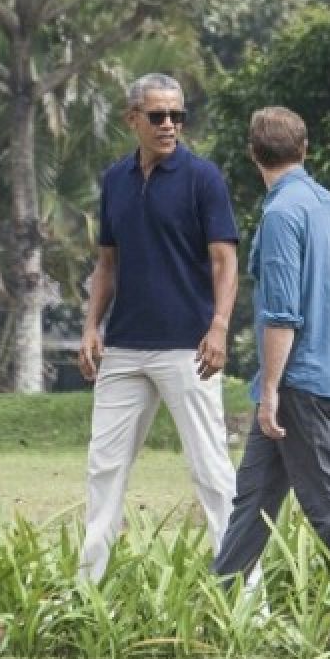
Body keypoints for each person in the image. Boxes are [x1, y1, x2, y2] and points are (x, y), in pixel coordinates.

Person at [77, 73, 239, 581]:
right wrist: (90, 327)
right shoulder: (115, 180)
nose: (169, 124)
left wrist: (218, 327)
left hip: (187, 349)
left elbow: (225, 261)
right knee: (104, 470)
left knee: (211, 471)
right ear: (133, 120)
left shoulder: (203, 178)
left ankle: (246, 596)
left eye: (177, 115)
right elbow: (107, 263)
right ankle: (88, 589)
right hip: (124, 347)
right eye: (158, 115)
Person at [213, 106, 330, 580]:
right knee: (255, 497)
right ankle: (218, 600)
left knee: (326, 500)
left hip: (295, 381)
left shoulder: (283, 214)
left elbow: (282, 315)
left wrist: (269, 393)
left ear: (252, 154)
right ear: (304, 150)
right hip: (323, 372)